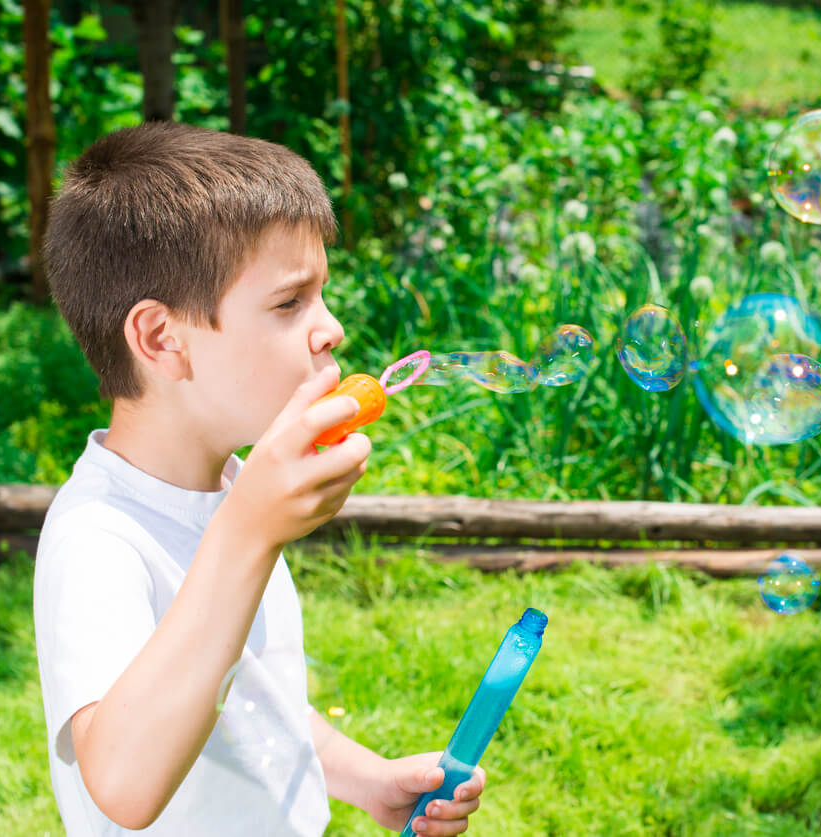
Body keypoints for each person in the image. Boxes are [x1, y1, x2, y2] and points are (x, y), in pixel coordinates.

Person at [33, 121, 485, 836]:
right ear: (162, 339)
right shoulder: (100, 539)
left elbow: (250, 697)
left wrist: (369, 778)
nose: (331, 329)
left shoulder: (231, 488)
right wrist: (247, 532)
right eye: (289, 302)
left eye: (322, 295)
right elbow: (121, 785)